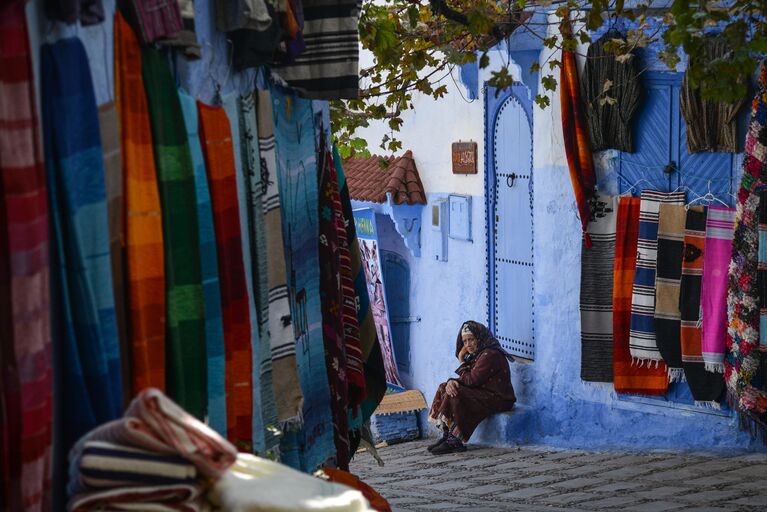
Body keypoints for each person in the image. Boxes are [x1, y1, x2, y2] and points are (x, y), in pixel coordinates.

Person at [427, 321, 516, 454]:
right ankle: (448, 434)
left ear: (479, 338)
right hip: (484, 392)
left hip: (499, 398)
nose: (468, 344)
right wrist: (451, 381)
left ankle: (455, 441)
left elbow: (472, 380)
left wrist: (461, 360)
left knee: (456, 392)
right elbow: (468, 379)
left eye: (471, 340)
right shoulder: (478, 355)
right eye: (465, 341)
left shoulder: (489, 354)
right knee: (444, 387)